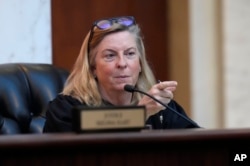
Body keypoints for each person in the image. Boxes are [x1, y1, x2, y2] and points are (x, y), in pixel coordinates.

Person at [43, 16, 200, 133]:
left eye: (130, 53)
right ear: (92, 67)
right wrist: (141, 113)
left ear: (140, 64)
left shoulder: (159, 106)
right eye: (110, 55)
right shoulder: (66, 110)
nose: (122, 63)